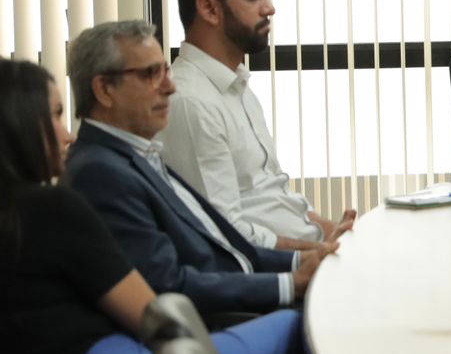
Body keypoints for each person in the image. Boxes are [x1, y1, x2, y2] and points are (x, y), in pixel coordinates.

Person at [0, 58, 304, 354]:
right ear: (16, 125)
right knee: (302, 330)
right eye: (54, 115)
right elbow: (155, 319)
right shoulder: (50, 210)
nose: (68, 132)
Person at [63, 21, 329, 315]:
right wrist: (289, 284)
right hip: (220, 322)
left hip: (244, 295)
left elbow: (223, 250)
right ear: (103, 90)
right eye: (151, 74)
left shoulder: (140, 153)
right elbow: (167, 286)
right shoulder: (100, 173)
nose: (170, 86)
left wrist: (300, 261)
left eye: (165, 70)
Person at [160, 0, 354, 250]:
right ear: (210, 9)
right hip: (275, 275)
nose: (269, 8)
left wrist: (337, 233)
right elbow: (223, 234)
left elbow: (273, 193)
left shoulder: (236, 85)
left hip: (305, 253)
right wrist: (320, 251)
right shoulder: (190, 101)